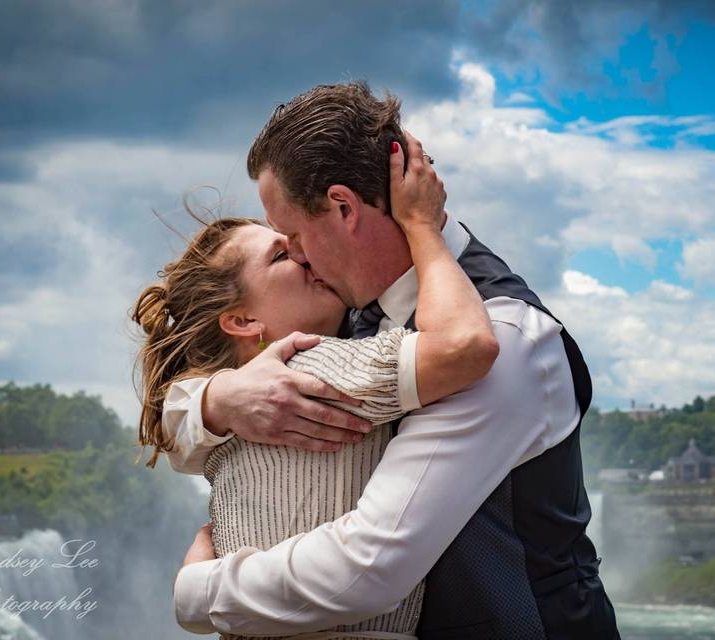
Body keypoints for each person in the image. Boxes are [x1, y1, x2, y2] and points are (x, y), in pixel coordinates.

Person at [171, 82, 621, 639]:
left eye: (292, 236)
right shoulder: (351, 312)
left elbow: (369, 567)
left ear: (342, 207)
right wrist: (219, 401)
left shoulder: (502, 337)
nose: (299, 258)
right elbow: (181, 430)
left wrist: (199, 591)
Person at [133, 136, 498, 639]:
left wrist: (213, 400)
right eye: (282, 255)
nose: (304, 254)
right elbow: (466, 345)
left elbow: (173, 419)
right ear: (242, 320)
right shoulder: (319, 369)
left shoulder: (214, 403)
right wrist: (422, 227)